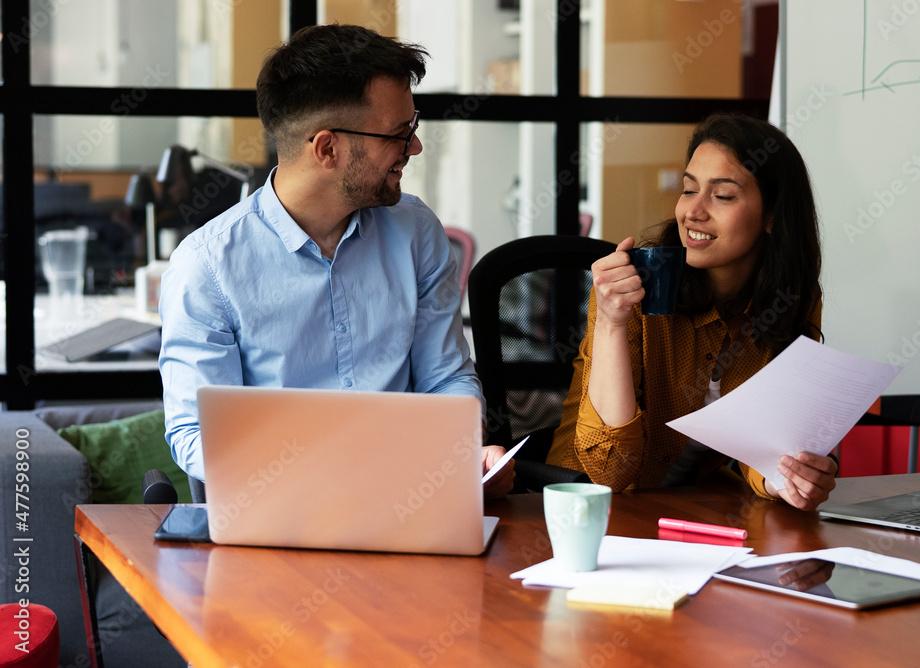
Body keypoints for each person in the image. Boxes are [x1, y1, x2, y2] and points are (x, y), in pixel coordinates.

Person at [158, 24, 514, 497]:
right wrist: (330, 478)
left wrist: (461, 453)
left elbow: (445, 377)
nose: (415, 146)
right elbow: (196, 434)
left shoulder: (415, 231)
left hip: (410, 504)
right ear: (328, 148)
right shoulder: (206, 267)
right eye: (399, 133)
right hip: (280, 511)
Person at [547, 113, 836, 510]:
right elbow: (610, 470)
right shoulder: (633, 285)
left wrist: (787, 480)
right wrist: (613, 322)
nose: (692, 212)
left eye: (723, 195)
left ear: (772, 215)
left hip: (692, 508)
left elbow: (769, 443)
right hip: (588, 508)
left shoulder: (792, 297)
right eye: (688, 189)